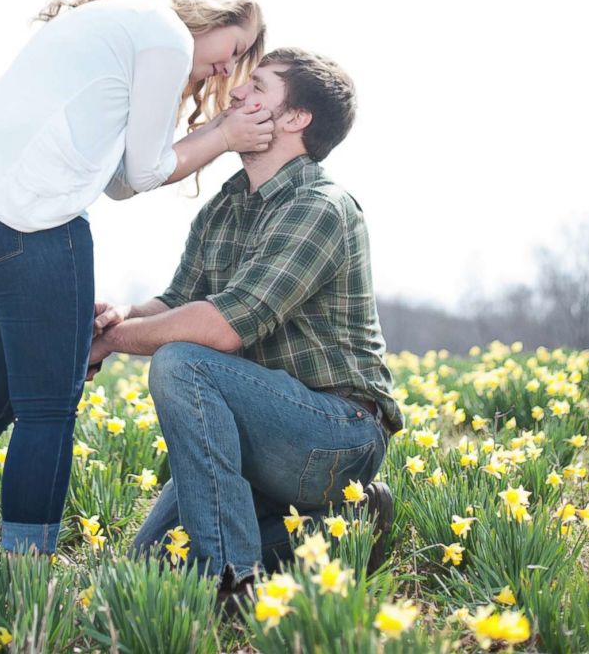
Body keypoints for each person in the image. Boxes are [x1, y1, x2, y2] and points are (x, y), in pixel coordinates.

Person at [0, 0, 271, 599]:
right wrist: (226, 137)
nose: (223, 69)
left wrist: (204, 135)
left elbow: (126, 179)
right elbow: (149, 170)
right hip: (30, 221)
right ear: (212, 14)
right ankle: (23, 585)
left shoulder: (123, 22)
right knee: (48, 409)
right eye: (234, 50)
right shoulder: (166, 35)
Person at [89, 47, 403, 602]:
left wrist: (115, 344)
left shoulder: (319, 207)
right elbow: (178, 303)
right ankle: (349, 523)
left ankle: (235, 582)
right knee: (152, 565)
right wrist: (114, 320)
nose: (236, 93)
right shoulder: (227, 206)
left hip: (335, 433)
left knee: (182, 362)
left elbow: (220, 328)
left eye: (257, 85)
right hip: (257, 427)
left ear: (294, 119)